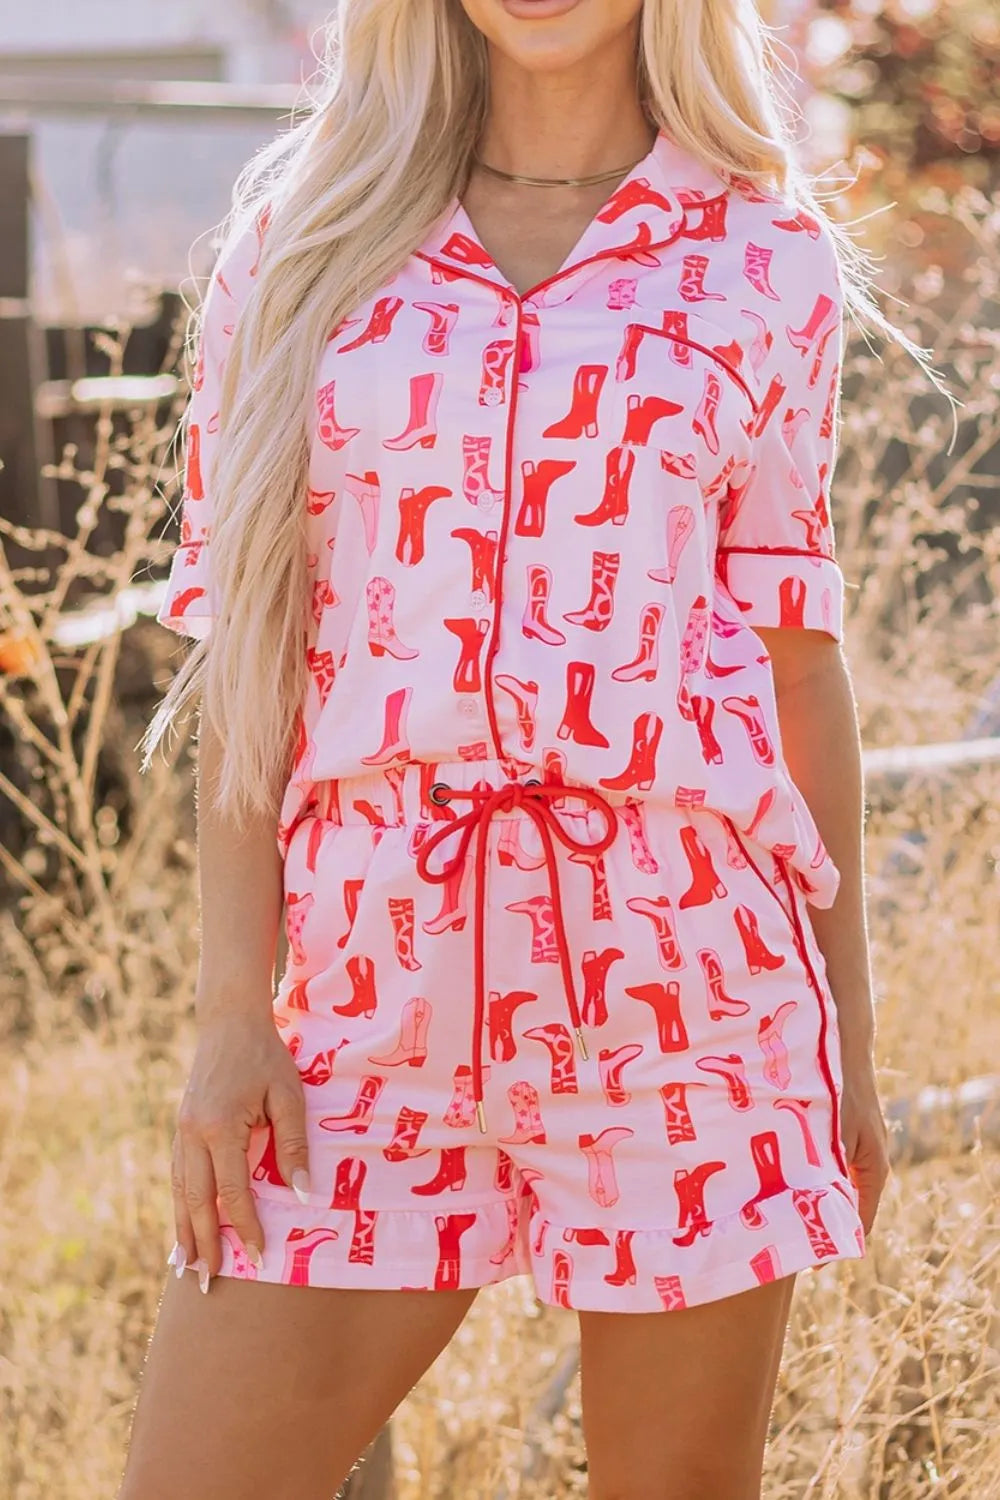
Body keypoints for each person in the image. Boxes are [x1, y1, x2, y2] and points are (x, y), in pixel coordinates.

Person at [120, 2, 910, 1496]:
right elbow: (252, 652)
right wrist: (233, 1004)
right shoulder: (298, 240)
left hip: (693, 1004)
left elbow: (799, 663)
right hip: (366, 1003)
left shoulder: (765, 256)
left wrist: (845, 1052)